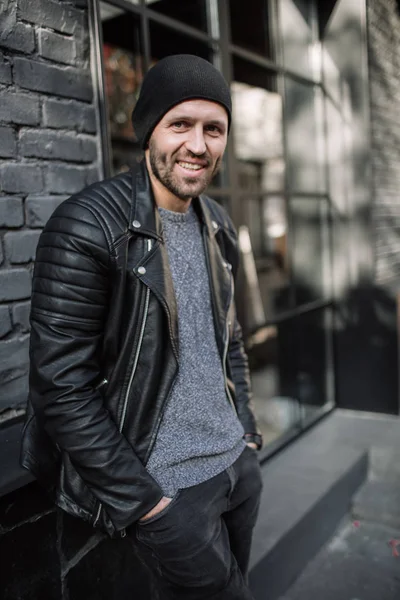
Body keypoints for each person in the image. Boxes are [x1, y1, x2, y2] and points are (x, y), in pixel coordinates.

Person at [21, 54, 263, 599]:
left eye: (214, 129)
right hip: (168, 492)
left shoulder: (217, 224)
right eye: (181, 124)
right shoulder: (89, 225)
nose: (199, 146)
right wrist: (147, 503)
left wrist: (246, 436)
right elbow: (61, 388)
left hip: (236, 470)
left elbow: (232, 343)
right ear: (148, 131)